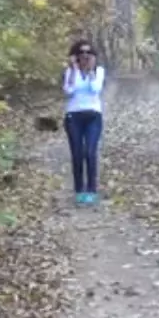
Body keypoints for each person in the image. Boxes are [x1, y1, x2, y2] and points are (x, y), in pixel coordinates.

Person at [62, 39, 105, 206]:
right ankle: (79, 190)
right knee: (77, 154)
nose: (85, 56)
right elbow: (68, 91)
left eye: (89, 53)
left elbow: (96, 89)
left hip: (93, 115)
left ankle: (92, 189)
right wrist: (74, 69)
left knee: (90, 152)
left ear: (93, 56)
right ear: (76, 56)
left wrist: (91, 71)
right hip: (74, 116)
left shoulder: (99, 71)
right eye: (82, 53)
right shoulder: (70, 71)